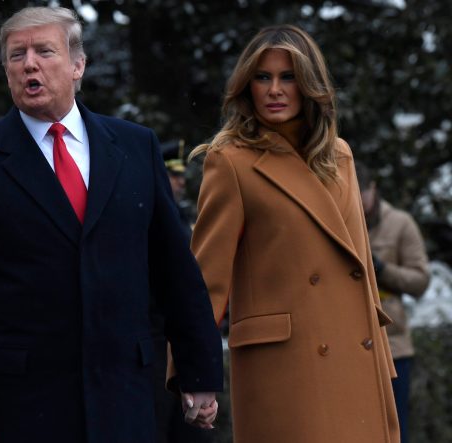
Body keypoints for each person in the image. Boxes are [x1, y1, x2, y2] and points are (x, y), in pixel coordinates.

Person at [0, 6, 223, 443]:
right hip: (21, 405)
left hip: (126, 396)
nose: (29, 64)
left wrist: (199, 369)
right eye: (16, 55)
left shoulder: (136, 147)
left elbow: (175, 270)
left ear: (78, 65)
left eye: (44, 50)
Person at [168, 25, 400, 442]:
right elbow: (205, 281)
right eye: (263, 77)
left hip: (357, 357)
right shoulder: (231, 160)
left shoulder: (339, 155)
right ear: (247, 85)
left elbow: (360, 267)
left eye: (288, 76)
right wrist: (193, 373)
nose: (275, 89)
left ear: (310, 84)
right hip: (288, 370)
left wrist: (382, 364)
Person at [356, 161, 430, 443]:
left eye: (361, 194)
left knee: (394, 433)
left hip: (394, 347)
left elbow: (420, 281)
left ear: (373, 189)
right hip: (350, 347)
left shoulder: (400, 224)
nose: (358, 204)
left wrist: (383, 270)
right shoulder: (339, 221)